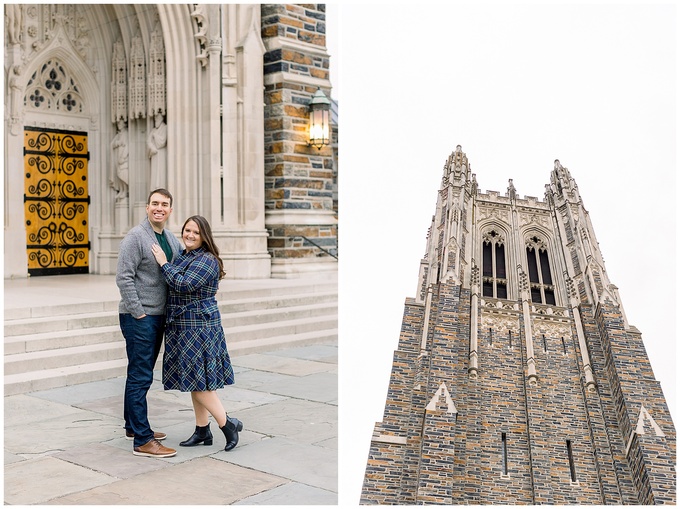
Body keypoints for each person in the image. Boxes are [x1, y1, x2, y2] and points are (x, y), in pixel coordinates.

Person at [151, 215, 243, 451]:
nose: (190, 235)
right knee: (195, 379)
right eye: (187, 230)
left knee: (198, 382)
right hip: (183, 326)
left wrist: (163, 263)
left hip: (199, 327)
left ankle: (227, 424)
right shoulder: (183, 256)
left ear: (204, 236)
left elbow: (183, 284)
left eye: (195, 232)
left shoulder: (207, 260)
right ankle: (202, 430)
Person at [116, 189, 182, 458]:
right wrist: (138, 312)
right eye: (155, 203)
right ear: (146, 207)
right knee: (141, 376)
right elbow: (124, 277)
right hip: (140, 318)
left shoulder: (169, 238)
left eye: (164, 204)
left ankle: (133, 426)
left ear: (170, 210)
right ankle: (143, 439)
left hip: (158, 316)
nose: (159, 208)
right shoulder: (136, 237)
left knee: (138, 373)